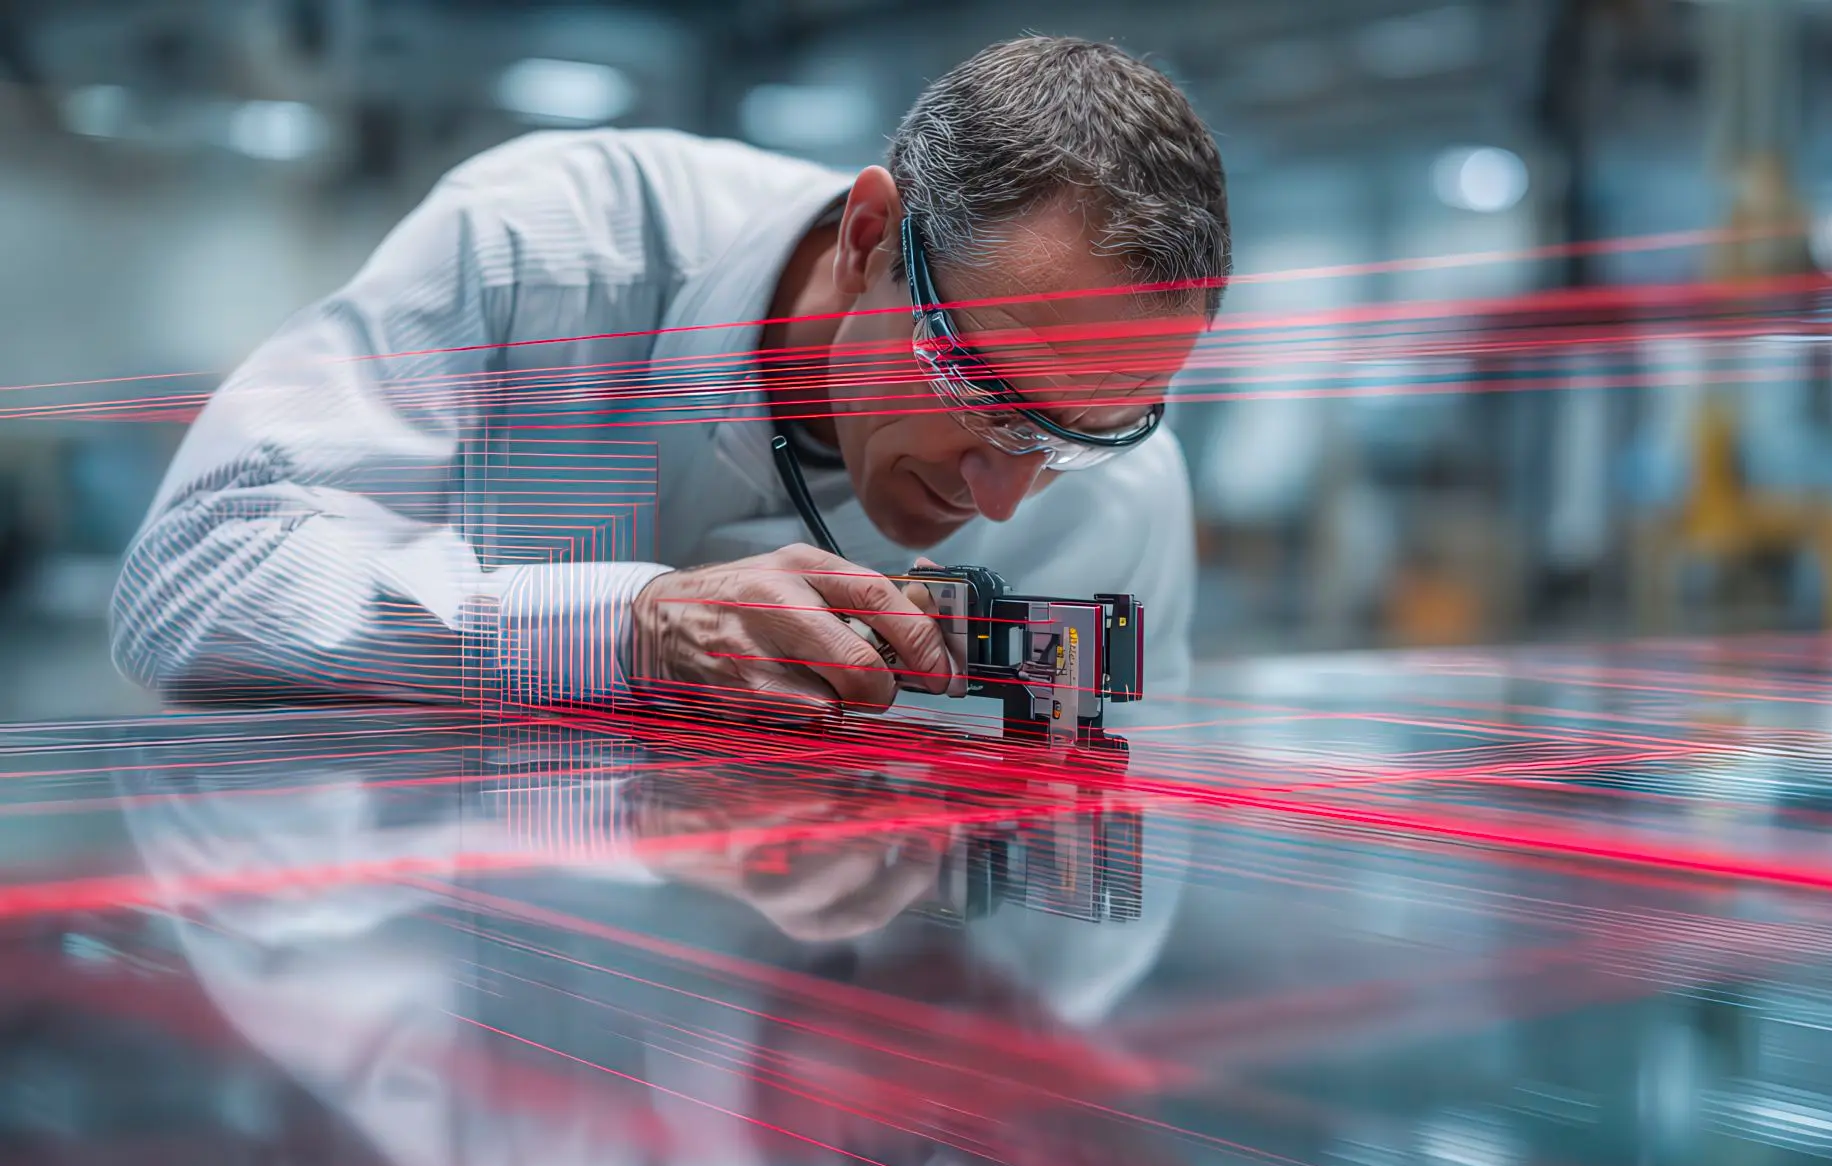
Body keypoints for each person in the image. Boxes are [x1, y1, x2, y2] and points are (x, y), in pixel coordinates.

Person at [110, 36, 1232, 724]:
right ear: (870, 231)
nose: (1002, 495)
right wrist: (631, 626)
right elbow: (189, 582)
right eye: (982, 392)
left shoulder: (1124, 492)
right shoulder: (543, 252)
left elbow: (1077, 929)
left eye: (1074, 434)